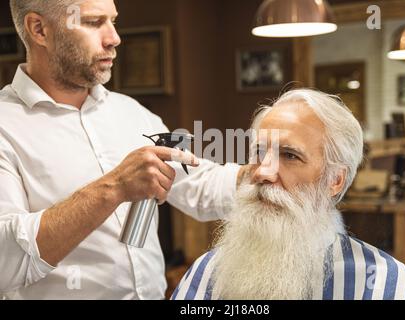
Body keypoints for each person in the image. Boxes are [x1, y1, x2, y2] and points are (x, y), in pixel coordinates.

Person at [0, 0, 242, 299]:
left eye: (113, 21)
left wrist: (263, 175)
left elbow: (200, 184)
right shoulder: (5, 127)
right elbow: (5, 260)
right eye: (93, 22)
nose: (114, 37)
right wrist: (114, 188)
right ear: (39, 29)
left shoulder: (134, 114)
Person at [172, 89, 405, 300]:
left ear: (335, 180)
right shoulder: (206, 273)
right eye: (260, 152)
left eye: (290, 155)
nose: (263, 172)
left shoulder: (390, 287)